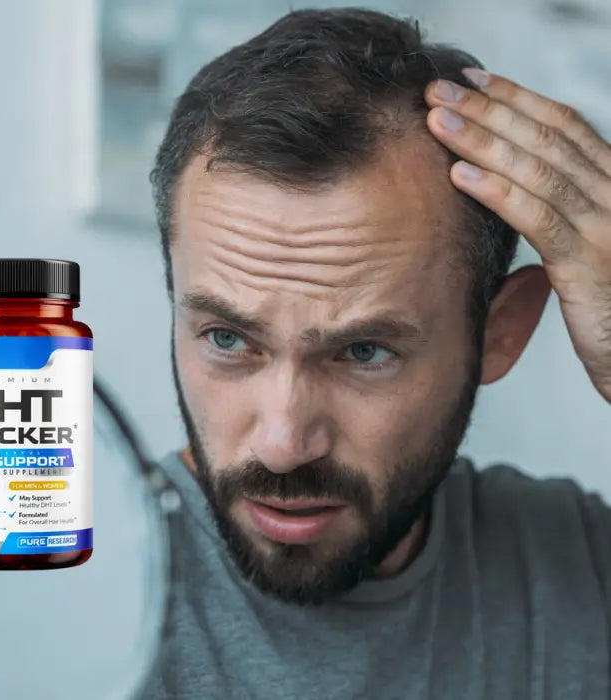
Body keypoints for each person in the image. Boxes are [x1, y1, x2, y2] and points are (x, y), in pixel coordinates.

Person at [141, 7, 611, 699]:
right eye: (228, 339)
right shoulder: (58, 588)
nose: (283, 445)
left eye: (363, 352)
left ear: (501, 332)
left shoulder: (577, 572)